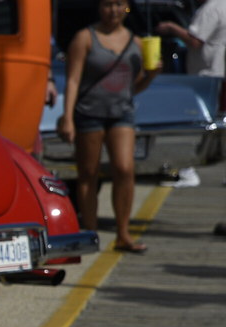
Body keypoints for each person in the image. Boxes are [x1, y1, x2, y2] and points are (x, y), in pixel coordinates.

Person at [58, 0, 159, 253]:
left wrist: (151, 76)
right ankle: (91, 232)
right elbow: (73, 80)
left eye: (118, 4)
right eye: (107, 4)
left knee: (125, 169)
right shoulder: (85, 38)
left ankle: (123, 233)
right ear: (99, 7)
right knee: (88, 173)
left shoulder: (136, 42)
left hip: (121, 113)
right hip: (89, 112)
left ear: (126, 7)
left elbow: (133, 86)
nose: (113, 10)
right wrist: (67, 117)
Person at [157, 0, 226, 188]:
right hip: (218, 73)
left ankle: (188, 172)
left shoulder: (210, 9)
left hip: (205, 77)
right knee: (218, 125)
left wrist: (171, 27)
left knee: (195, 125)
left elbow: (195, 40)